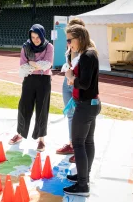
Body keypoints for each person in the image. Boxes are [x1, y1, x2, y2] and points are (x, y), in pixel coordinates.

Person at [63, 24, 101, 197]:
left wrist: (71, 78)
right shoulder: (89, 53)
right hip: (91, 104)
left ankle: (83, 184)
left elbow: (84, 83)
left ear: (79, 38)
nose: (69, 43)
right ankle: (83, 177)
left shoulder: (87, 55)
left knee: (79, 143)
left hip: (86, 105)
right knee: (88, 142)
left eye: (70, 40)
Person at [8, 24, 53, 152]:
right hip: (29, 80)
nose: (36, 40)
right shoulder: (26, 47)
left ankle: (41, 139)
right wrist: (37, 65)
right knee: (24, 107)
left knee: (42, 109)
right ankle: (20, 134)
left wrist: (32, 63)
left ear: (43, 35)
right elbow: (23, 66)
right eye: (33, 37)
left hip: (44, 80)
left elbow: (47, 64)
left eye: (38, 37)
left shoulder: (49, 47)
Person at [56, 18, 87, 163]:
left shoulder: (87, 50)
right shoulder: (69, 46)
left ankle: (80, 148)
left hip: (78, 84)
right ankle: (72, 144)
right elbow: (69, 62)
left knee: (80, 117)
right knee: (69, 114)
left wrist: (73, 77)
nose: (69, 40)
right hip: (67, 82)